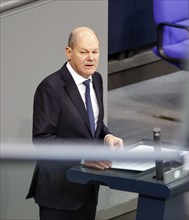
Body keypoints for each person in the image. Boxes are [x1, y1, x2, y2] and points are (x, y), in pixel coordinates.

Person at [26, 27, 124, 220]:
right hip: (59, 195)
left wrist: (106, 136)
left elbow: (92, 122)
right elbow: (42, 140)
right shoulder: (51, 88)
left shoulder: (96, 79)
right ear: (69, 52)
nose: (91, 58)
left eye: (95, 52)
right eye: (84, 52)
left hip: (87, 188)